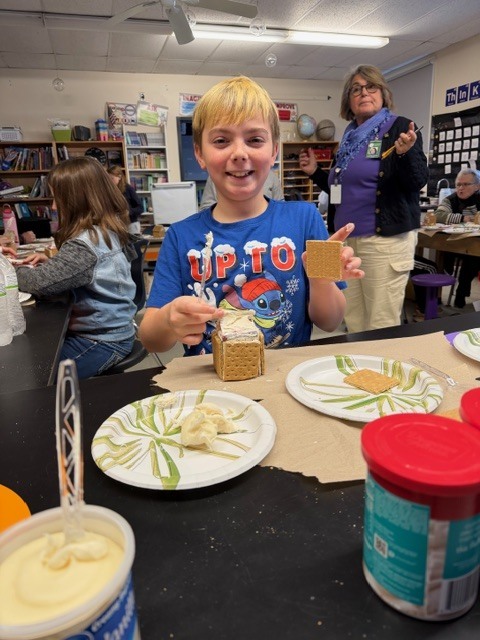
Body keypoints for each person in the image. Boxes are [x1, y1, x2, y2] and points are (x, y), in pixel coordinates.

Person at [139, 76, 363, 357]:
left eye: (254, 140)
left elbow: (329, 322)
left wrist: (320, 280)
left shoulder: (306, 220)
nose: (239, 153)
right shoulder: (179, 237)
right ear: (200, 154)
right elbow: (150, 339)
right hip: (210, 388)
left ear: (274, 151)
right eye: (221, 141)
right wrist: (170, 319)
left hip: (285, 380)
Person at [299, 64, 428, 333]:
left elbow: (417, 181)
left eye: (371, 87)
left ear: (383, 93)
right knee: (352, 317)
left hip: (384, 241)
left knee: (381, 321)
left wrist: (404, 154)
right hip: (346, 239)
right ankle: (360, 373)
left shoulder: (400, 127)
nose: (363, 93)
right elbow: (340, 189)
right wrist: (315, 172)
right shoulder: (348, 138)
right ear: (348, 99)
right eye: (356, 89)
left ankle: (384, 374)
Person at [15, 157, 137, 378]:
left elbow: (37, 283)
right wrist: (52, 263)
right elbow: (83, 270)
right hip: (118, 331)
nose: (53, 206)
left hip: (103, 341)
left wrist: (10, 270)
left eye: (57, 199)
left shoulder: (84, 244)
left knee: (35, 376)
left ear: (76, 200)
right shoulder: (106, 231)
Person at [434, 168, 480, 308]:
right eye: (458, 184)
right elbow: (439, 215)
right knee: (441, 254)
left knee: (472, 257)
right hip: (453, 243)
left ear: (477, 186)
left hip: (475, 244)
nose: (461, 188)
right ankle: (437, 294)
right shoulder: (451, 199)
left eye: (466, 184)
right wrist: (464, 218)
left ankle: (461, 292)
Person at [199, 170, 284, 209]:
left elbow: (280, 207)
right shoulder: (215, 177)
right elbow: (206, 209)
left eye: (254, 140)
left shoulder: (272, 177)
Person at [107, 165, 144, 234]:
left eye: (112, 178)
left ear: (120, 177)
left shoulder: (128, 189)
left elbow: (140, 208)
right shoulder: (109, 191)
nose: (110, 181)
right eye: (108, 179)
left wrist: (128, 212)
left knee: (133, 244)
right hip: (117, 226)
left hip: (131, 225)